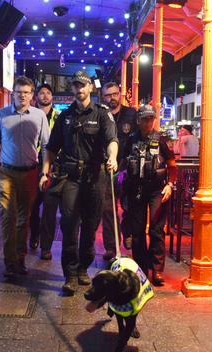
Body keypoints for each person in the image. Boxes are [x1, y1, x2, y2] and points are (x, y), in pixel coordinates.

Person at [40, 71, 119, 296]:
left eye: (83, 86)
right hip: (71, 176)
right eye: (76, 86)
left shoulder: (102, 114)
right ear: (73, 89)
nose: (79, 89)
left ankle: (84, 266)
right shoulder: (65, 117)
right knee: (69, 224)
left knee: (91, 224)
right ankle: (70, 274)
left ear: (90, 89)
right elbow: (51, 148)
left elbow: (112, 140)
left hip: (95, 177)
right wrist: (45, 172)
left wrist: (112, 157)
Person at [0, 76, 50, 278]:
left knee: (24, 219)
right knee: (7, 217)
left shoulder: (39, 116)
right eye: (19, 92)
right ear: (13, 94)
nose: (22, 96)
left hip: (30, 173)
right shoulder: (2, 115)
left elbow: (46, 147)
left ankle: (19, 259)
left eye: (26, 92)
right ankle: (10, 263)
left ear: (32, 95)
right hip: (7, 173)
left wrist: (45, 173)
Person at [121, 105, 176, 286]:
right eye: (144, 119)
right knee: (137, 233)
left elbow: (172, 165)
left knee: (156, 230)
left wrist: (170, 184)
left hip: (157, 190)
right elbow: (122, 163)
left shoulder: (161, 139)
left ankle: (157, 270)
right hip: (136, 189)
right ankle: (141, 269)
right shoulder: (131, 139)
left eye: (151, 119)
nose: (148, 122)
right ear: (138, 120)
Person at [100, 81, 137, 260]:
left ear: (119, 94)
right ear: (103, 96)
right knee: (108, 209)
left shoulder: (131, 114)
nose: (112, 98)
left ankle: (127, 231)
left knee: (129, 206)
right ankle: (111, 247)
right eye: (108, 95)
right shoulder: (99, 114)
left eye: (114, 94)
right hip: (107, 168)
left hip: (128, 168)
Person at [28, 83, 60, 260]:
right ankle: (34, 235)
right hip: (33, 164)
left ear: (52, 97)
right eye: (42, 93)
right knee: (33, 206)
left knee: (50, 207)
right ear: (36, 97)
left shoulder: (59, 117)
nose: (45, 96)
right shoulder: (30, 115)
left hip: (52, 166)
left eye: (48, 93)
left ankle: (46, 247)